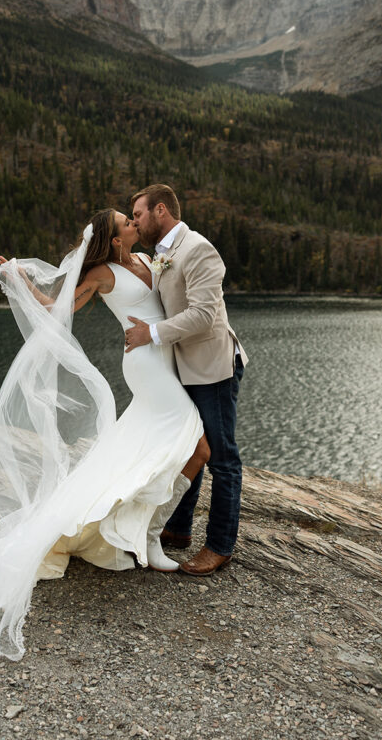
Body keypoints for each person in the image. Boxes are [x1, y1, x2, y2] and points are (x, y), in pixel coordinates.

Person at [0, 209, 210, 661]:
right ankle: (152, 539)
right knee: (199, 446)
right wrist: (16, 275)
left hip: (163, 359)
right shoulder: (102, 272)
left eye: (133, 219)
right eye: (126, 223)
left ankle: (145, 530)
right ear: (115, 239)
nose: (135, 224)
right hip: (146, 367)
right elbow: (57, 307)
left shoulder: (147, 261)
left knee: (156, 448)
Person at [126, 184, 247, 576]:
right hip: (182, 369)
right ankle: (177, 529)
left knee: (221, 457)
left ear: (160, 210)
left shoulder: (199, 249)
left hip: (212, 368)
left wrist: (151, 334)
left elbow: (203, 316)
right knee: (185, 447)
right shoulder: (161, 254)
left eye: (139, 214)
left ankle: (220, 546)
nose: (136, 222)